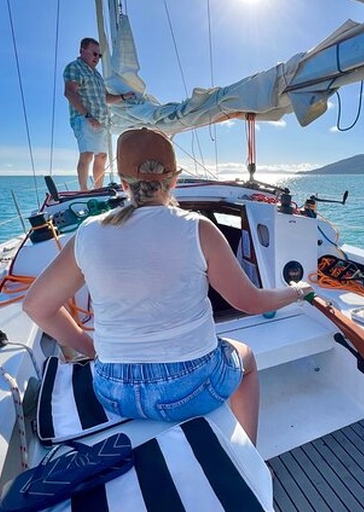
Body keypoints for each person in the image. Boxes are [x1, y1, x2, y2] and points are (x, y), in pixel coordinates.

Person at [22, 128, 313, 445]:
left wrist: (91, 348)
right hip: (190, 390)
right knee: (247, 360)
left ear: (123, 184)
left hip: (112, 391)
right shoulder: (198, 229)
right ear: (174, 180)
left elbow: (37, 306)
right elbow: (251, 302)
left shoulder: (88, 233)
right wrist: (298, 290)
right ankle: (251, 454)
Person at [63, 37, 134, 191]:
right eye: (94, 54)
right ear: (82, 50)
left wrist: (123, 97)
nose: (97, 58)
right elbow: (69, 93)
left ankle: (98, 189)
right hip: (84, 118)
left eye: (99, 56)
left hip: (102, 121)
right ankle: (84, 190)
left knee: (101, 156)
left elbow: (105, 97)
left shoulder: (97, 75)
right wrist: (88, 116)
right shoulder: (74, 68)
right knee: (87, 154)